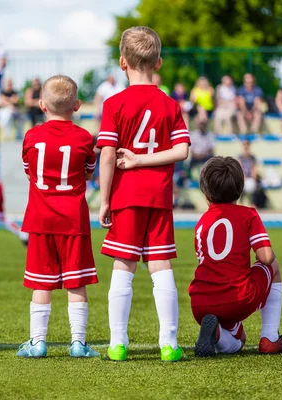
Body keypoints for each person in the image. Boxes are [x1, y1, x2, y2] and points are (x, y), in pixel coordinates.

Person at [97, 26, 189, 362]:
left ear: (122, 62)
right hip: (160, 197)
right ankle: (169, 345)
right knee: (161, 266)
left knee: (124, 266)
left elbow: (107, 154)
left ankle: (118, 344)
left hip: (126, 197)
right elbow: (181, 151)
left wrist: (105, 198)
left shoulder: (114, 103)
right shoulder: (170, 104)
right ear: (159, 62)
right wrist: (145, 161)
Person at [17, 75, 99, 358]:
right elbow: (89, 173)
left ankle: (37, 342)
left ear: (41, 104)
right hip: (73, 220)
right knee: (76, 282)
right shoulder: (85, 138)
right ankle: (78, 343)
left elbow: (29, 170)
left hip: (40, 220)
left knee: (42, 282)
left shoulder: (31, 136)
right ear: (77, 105)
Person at [189, 156, 282, 356]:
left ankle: (218, 333)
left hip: (200, 302)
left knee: (240, 340)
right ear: (240, 188)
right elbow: (265, 257)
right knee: (274, 265)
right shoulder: (248, 215)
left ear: (205, 193)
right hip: (237, 297)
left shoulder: (201, 223)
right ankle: (270, 337)